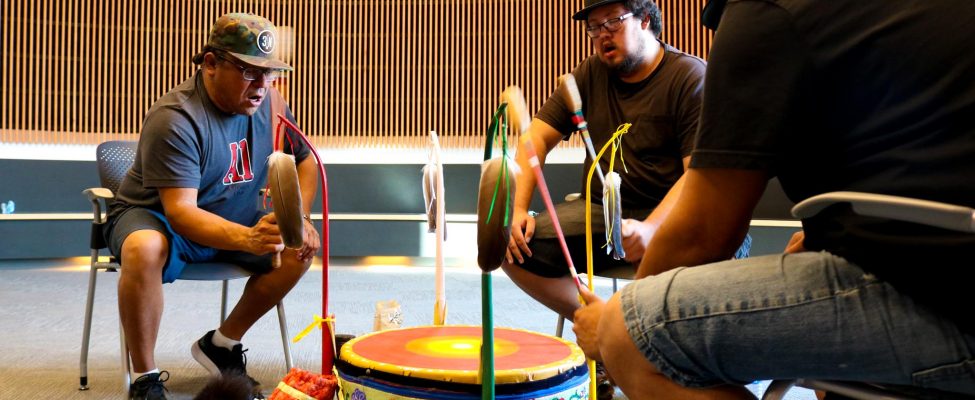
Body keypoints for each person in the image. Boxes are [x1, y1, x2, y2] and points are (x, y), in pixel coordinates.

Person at [572, 0, 975, 398]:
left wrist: (610, 323)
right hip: (942, 255)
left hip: (939, 301)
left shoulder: (764, 14)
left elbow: (707, 231)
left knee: (629, 334)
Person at [104, 13, 320, 400]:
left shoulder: (272, 102)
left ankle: (221, 344)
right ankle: (145, 378)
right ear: (210, 63)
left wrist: (299, 218)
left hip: (231, 214)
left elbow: (305, 160)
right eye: (249, 72)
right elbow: (182, 212)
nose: (261, 85)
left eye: (268, 74)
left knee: (297, 248)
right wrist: (249, 237)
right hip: (160, 219)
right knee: (143, 247)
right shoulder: (176, 118)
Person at [502, 0, 734, 323]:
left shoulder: (690, 77)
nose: (602, 35)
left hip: (673, 215)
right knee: (507, 245)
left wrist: (652, 229)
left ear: (645, 20)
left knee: (694, 271)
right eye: (594, 27)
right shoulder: (588, 74)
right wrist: (517, 208)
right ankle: (601, 325)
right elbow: (536, 138)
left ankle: (631, 343)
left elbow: (697, 175)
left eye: (613, 22)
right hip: (601, 214)